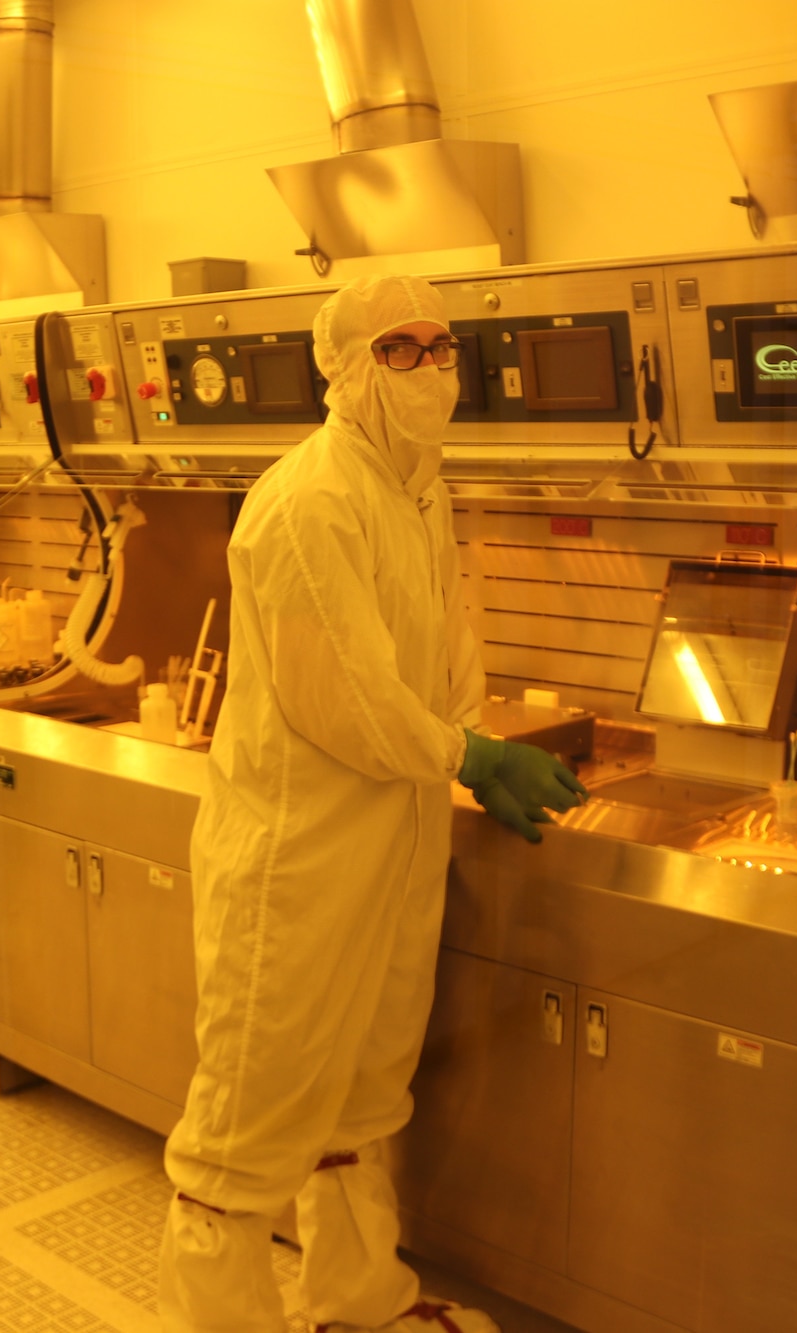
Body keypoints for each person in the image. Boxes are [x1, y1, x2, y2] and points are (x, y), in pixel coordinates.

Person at [158, 276, 589, 1333]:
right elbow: (344, 696)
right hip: (296, 857)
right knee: (250, 1114)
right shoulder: (309, 502)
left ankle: (359, 1300)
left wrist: (465, 734)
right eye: (400, 350)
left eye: (442, 347)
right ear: (345, 369)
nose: (431, 369)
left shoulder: (418, 487)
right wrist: (469, 754)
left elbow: (443, 650)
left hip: (391, 839)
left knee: (358, 1094)